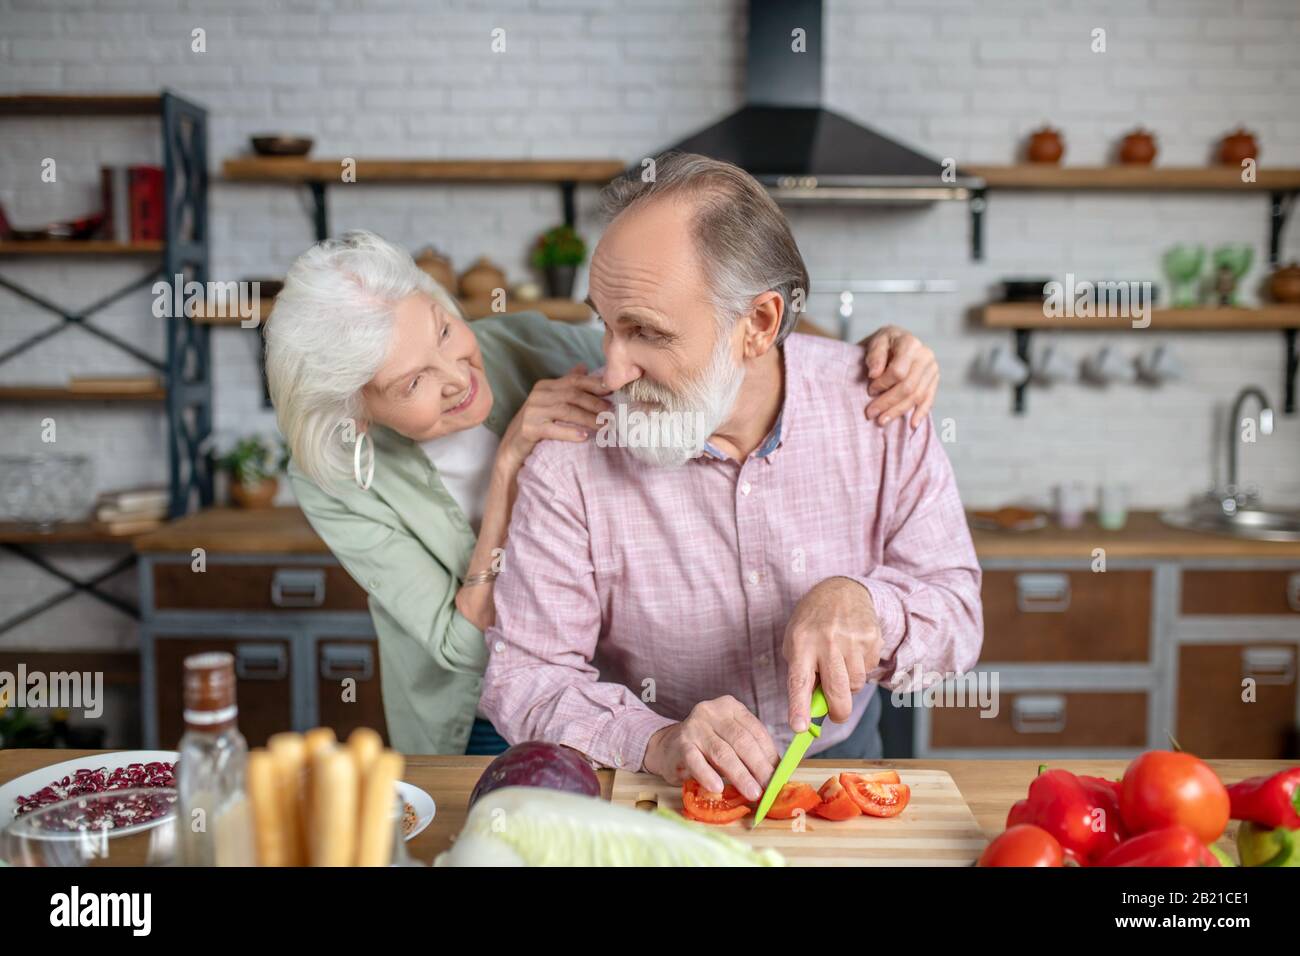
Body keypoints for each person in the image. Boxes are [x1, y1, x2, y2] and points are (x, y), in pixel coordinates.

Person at [265, 228, 945, 756]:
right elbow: (462, 647)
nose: (456, 376)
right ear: (354, 408)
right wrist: (509, 471)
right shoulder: (332, 474)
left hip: (590, 698)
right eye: (412, 381)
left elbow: (705, 343)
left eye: (445, 330)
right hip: (471, 712)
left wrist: (871, 354)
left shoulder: (523, 343)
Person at [479, 153, 982, 797]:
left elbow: (959, 614)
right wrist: (654, 740)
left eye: (645, 333)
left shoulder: (881, 407)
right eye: (605, 324)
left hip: (841, 770)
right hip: (656, 781)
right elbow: (525, 675)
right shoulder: (572, 452)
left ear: (760, 324)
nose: (611, 372)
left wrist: (869, 605)